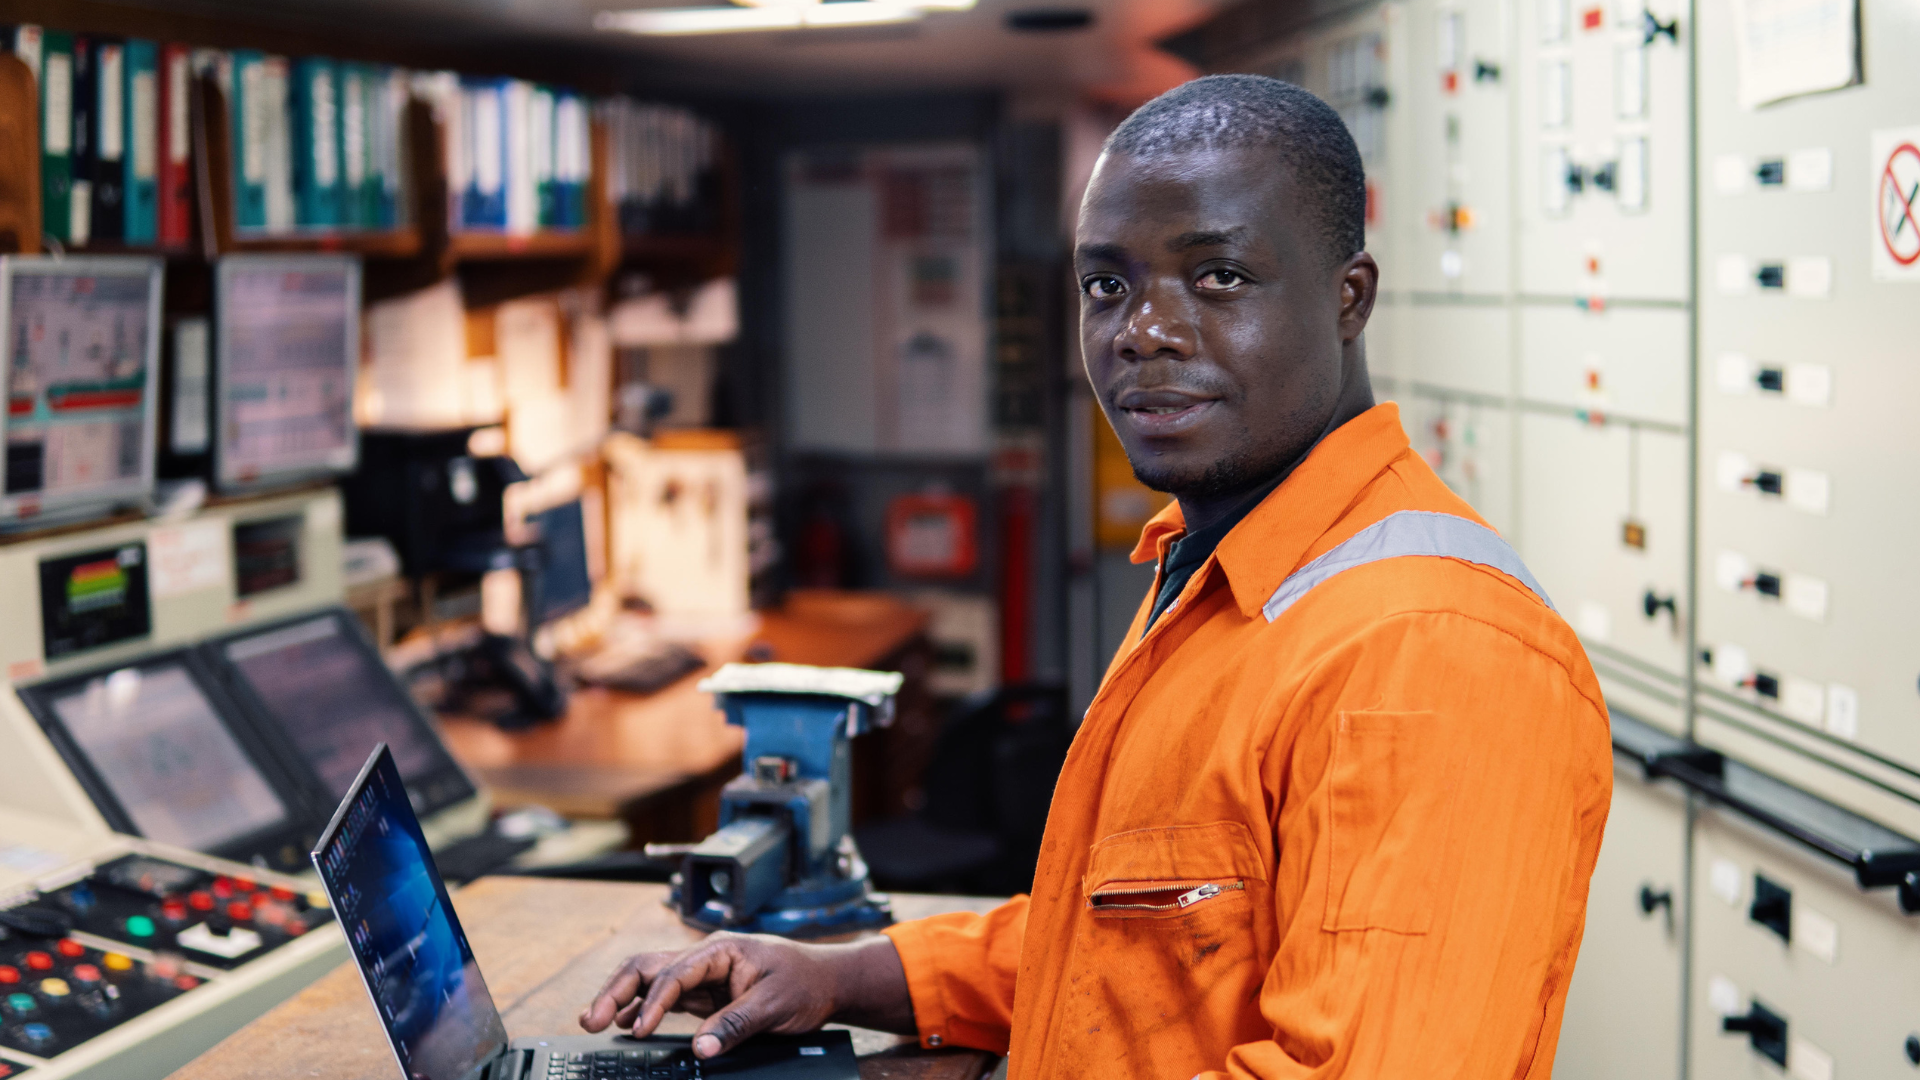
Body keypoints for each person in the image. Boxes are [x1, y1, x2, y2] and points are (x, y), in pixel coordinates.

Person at [580, 74, 1612, 1080]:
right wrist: (842, 976)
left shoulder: (1431, 651)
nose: (1142, 331)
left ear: (1350, 299)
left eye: (1218, 278)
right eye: (1106, 285)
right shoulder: (1216, 567)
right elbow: (1127, 950)